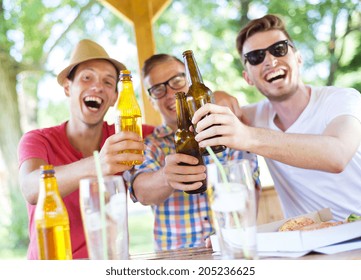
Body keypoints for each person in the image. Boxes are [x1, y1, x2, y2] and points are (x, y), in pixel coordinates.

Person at [191, 14, 361, 221]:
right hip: (308, 241)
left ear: (298, 58)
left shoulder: (341, 99)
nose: (270, 61)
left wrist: (248, 136)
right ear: (248, 78)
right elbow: (219, 109)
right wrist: (219, 96)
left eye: (279, 49)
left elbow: (337, 155)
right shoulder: (253, 116)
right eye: (256, 57)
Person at [17, 39, 154, 259]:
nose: (98, 86)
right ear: (68, 88)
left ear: (114, 98)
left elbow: (170, 131)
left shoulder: (124, 134)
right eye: (87, 77)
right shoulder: (38, 140)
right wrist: (98, 164)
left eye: (108, 82)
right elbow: (31, 189)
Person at [124, 53, 261, 251]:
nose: (170, 93)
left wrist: (229, 235)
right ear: (152, 101)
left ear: (191, 83)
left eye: (177, 81)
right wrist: (166, 177)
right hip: (176, 261)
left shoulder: (227, 129)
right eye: (158, 89)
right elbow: (141, 191)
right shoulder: (150, 144)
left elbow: (249, 188)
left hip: (231, 249)